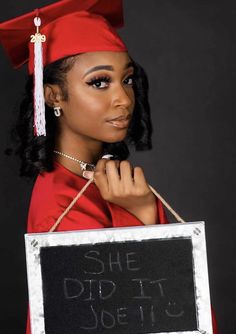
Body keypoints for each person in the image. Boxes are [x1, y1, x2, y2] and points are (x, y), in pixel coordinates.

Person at [0, 0, 218, 333]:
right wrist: (142, 215)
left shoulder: (94, 176)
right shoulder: (60, 209)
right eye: (100, 82)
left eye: (127, 80)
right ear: (53, 97)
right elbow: (126, 321)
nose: (124, 99)